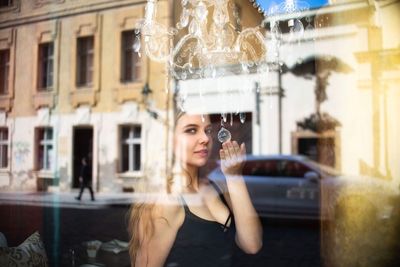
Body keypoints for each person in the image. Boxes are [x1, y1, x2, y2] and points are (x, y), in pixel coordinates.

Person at [128, 112, 262, 267]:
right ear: (168, 140)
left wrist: (234, 176)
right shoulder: (166, 201)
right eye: (191, 130)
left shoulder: (217, 186)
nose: (205, 139)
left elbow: (252, 245)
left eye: (208, 131)